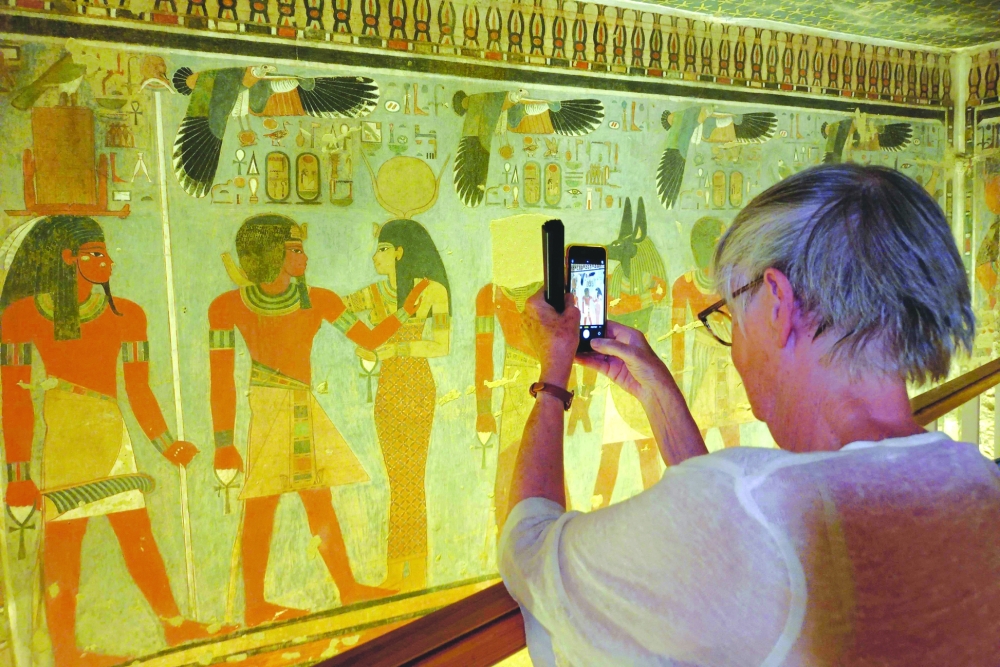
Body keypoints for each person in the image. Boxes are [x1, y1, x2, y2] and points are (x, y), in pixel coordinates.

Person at [499, 164, 1000, 665]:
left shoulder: (747, 510)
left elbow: (530, 552)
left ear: (779, 304)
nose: (735, 347)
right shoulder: (982, 482)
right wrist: (655, 390)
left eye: (732, 316)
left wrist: (553, 373)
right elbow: (734, 550)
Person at [0, 216, 221, 666]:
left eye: (106, 253)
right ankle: (64, 651)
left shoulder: (128, 315)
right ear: (68, 259)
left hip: (111, 431)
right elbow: (13, 399)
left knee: (137, 535)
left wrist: (165, 444)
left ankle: (173, 627)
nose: (107, 261)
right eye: (95, 254)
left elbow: (138, 389)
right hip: (64, 436)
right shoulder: (21, 316)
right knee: (64, 546)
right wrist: (18, 474)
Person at [209, 214, 427, 626]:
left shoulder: (319, 298)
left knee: (317, 498)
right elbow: (220, 378)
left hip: (302, 407)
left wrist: (403, 311)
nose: (303, 256)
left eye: (301, 248)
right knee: (260, 505)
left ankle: (346, 590)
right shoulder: (227, 306)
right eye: (294, 249)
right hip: (269, 407)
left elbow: (369, 340)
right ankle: (255, 606)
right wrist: (224, 441)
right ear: (270, 254)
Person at [344, 218, 451, 593]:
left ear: (400, 252)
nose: (376, 256)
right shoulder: (373, 294)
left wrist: (392, 348)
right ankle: (396, 569)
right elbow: (334, 311)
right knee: (397, 482)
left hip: (417, 386)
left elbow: (441, 345)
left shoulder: (432, 291)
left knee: (412, 480)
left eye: (383, 249)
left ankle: (416, 569)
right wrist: (362, 340)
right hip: (388, 389)